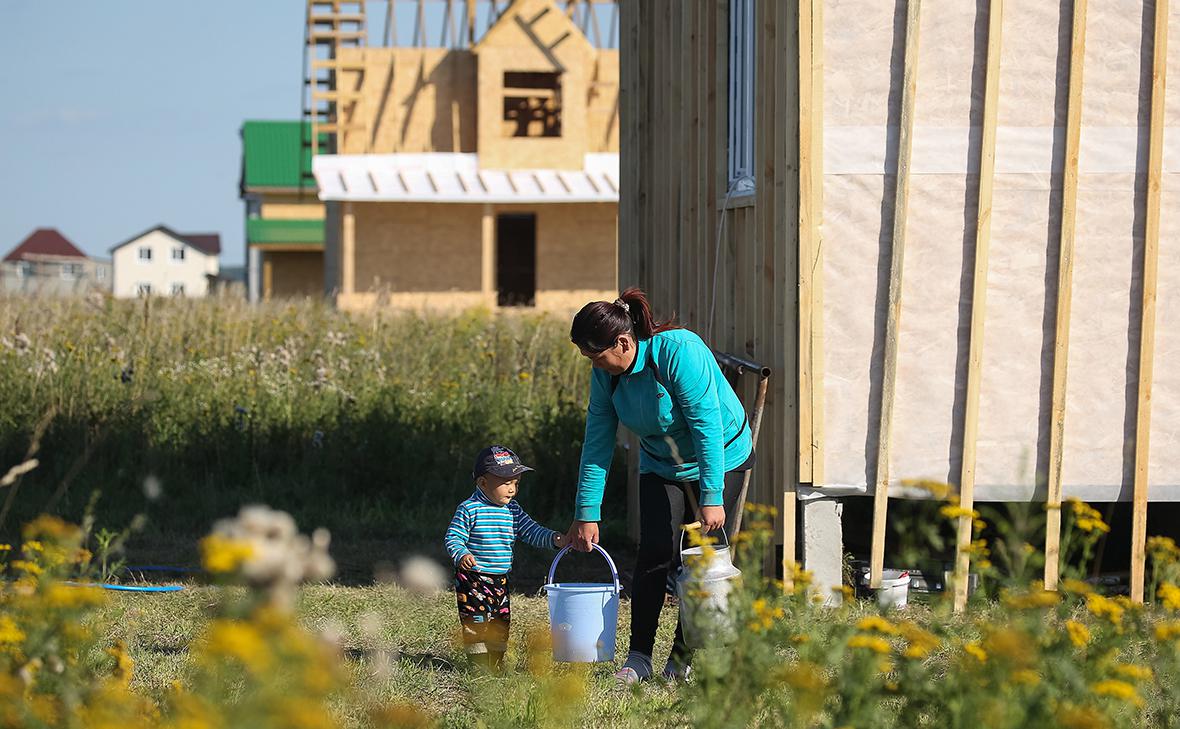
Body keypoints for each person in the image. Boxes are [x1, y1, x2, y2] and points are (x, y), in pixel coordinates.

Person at [565, 287, 753, 684]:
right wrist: (586, 512)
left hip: (721, 454)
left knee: (701, 560)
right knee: (653, 552)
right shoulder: (606, 376)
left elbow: (706, 426)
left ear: (622, 342)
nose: (593, 364)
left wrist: (711, 496)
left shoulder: (678, 352)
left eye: (596, 355)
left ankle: (682, 659)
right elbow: (596, 441)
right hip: (660, 462)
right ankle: (639, 658)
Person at [444, 445, 569, 671]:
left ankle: (497, 663)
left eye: (516, 483)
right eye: (506, 482)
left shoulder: (513, 510)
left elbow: (532, 531)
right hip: (473, 579)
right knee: (476, 623)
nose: (512, 490)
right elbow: (453, 537)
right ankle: (479, 666)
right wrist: (461, 553)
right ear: (483, 483)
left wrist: (554, 538)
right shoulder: (469, 509)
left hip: (500, 580)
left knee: (500, 623)